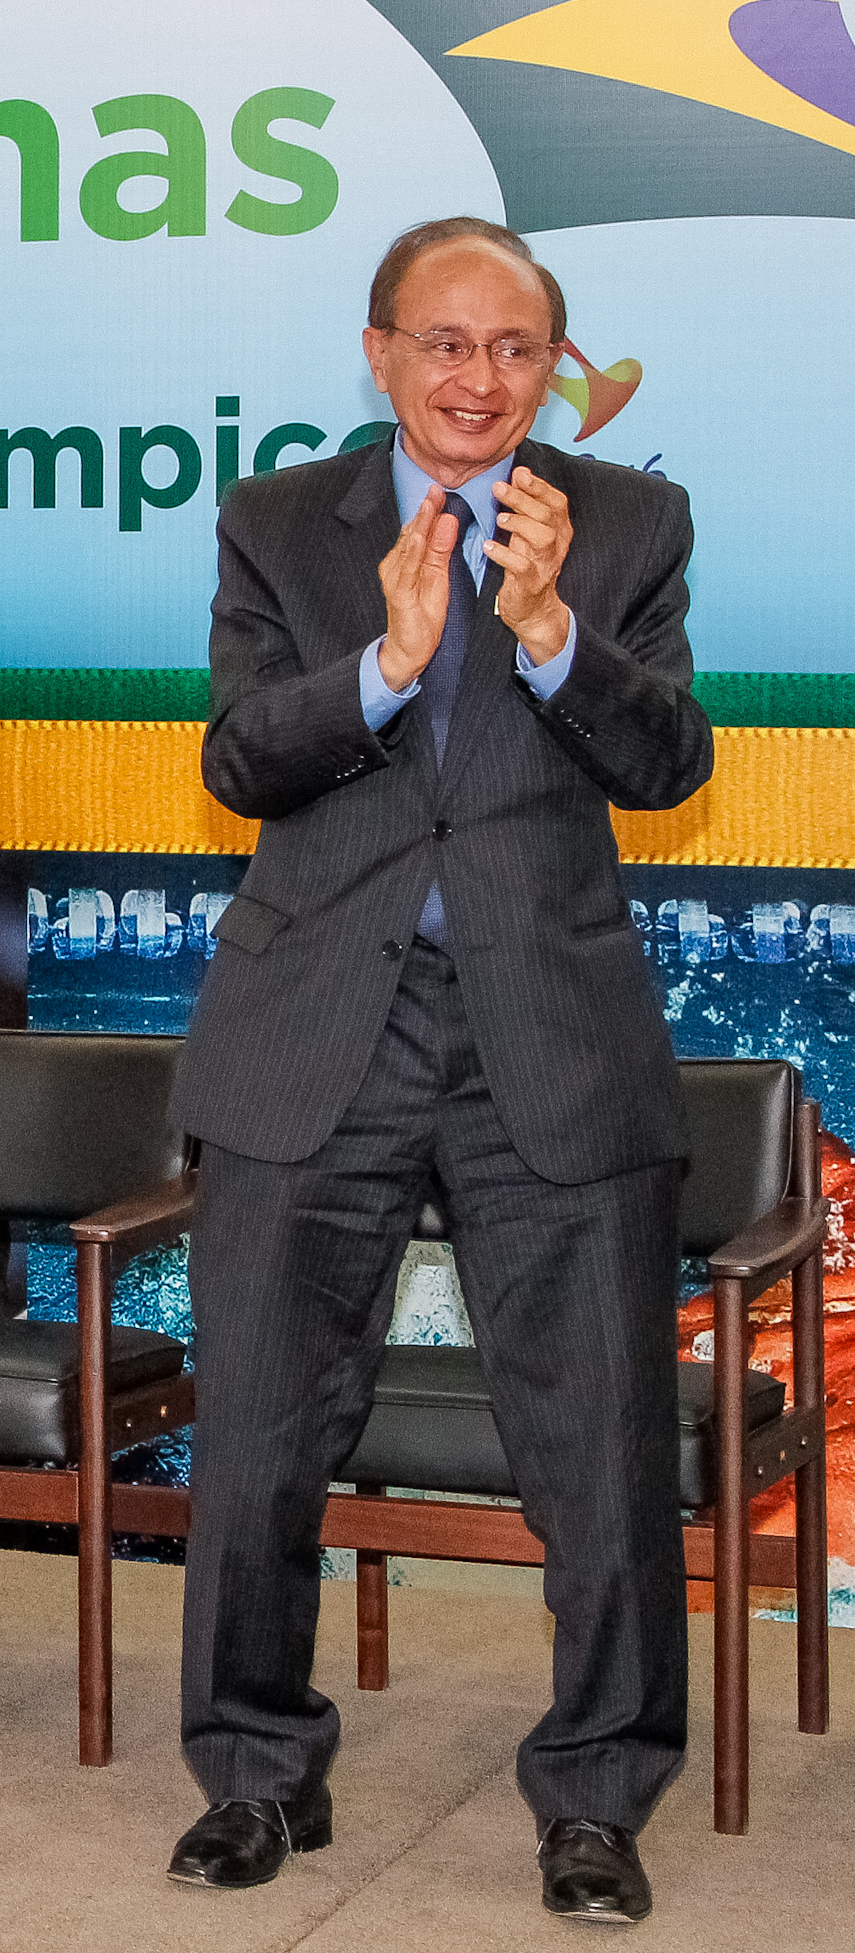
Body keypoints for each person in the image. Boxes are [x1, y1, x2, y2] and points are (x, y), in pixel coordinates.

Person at [167, 219, 713, 1922]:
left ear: (552, 364)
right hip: (318, 1022)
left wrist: (549, 633)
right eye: (445, 344)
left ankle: (596, 1798)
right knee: (258, 1430)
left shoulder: (624, 523)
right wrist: (388, 664)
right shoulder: (278, 522)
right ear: (381, 350)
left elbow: (668, 757)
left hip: (544, 1028)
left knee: (602, 1442)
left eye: (515, 349)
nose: (479, 379)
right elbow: (243, 759)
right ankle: (258, 1772)